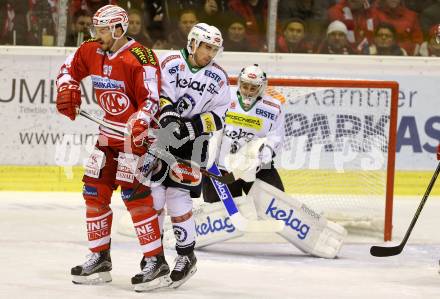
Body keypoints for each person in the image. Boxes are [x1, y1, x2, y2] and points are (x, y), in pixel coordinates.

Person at [55, 4, 163, 290]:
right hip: (108, 136)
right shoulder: (91, 49)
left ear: (118, 29)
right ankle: (99, 257)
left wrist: (141, 120)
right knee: (93, 191)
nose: (96, 34)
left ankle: (156, 261)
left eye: (102, 29)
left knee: (134, 195)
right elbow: (67, 69)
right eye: (96, 29)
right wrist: (67, 87)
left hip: (136, 138)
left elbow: (152, 99)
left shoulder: (142, 57)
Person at [147, 22, 231, 289]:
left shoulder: (219, 77)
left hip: (196, 142)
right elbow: (160, 96)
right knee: (154, 194)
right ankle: (154, 257)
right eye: (207, 47)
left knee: (177, 195)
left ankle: (186, 256)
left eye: (215, 49)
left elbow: (220, 115)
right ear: (193, 43)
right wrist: (170, 119)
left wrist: (193, 127)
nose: (210, 54)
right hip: (164, 133)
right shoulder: (170, 62)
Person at [202, 64, 285, 203]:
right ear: (239, 82)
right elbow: (212, 129)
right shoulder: (224, 97)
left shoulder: (274, 106)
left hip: (257, 167)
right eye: (245, 86)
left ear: (262, 87)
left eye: (253, 88)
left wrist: (259, 161)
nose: (248, 91)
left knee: (277, 205)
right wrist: (210, 162)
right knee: (219, 215)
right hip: (223, 167)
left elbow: (275, 138)